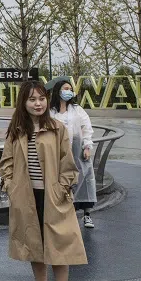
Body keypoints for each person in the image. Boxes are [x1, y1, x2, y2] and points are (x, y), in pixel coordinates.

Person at [0, 80, 86, 281]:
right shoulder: (16, 130)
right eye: (32, 99)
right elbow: (6, 161)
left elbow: (68, 163)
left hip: (53, 194)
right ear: (23, 103)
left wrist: (63, 188)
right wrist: (10, 185)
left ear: (47, 100)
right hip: (26, 195)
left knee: (58, 243)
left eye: (41, 99)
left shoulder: (57, 128)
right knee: (33, 242)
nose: (37, 104)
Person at [50, 80, 97, 229]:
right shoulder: (50, 111)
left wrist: (87, 146)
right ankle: (67, 215)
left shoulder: (77, 109)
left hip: (77, 149)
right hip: (58, 151)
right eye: (65, 88)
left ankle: (87, 214)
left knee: (84, 179)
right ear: (58, 90)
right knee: (63, 182)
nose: (69, 91)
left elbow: (86, 127)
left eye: (70, 89)